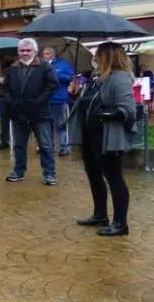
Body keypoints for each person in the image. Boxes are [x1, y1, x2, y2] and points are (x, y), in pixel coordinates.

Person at [69, 42, 136, 236]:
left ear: (108, 57)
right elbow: (87, 104)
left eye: (97, 54)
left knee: (114, 178)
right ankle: (100, 215)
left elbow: (127, 109)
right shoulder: (98, 79)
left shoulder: (120, 79)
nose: (94, 58)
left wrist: (105, 115)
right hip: (90, 134)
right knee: (94, 176)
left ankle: (120, 223)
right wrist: (76, 94)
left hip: (106, 136)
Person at [3, 38, 59, 185]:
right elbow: (6, 90)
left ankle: (49, 174)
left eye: (28, 50)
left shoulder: (45, 66)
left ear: (34, 51)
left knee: (45, 145)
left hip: (40, 113)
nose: (25, 53)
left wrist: (38, 102)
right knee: (19, 145)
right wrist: (13, 103)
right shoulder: (12, 68)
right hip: (19, 113)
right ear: (18, 52)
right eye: (22, 50)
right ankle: (18, 171)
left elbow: (52, 86)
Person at [42, 46, 74, 157]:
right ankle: (49, 147)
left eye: (46, 53)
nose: (44, 56)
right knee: (47, 125)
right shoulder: (42, 65)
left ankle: (64, 147)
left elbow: (70, 77)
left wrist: (56, 74)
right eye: (43, 54)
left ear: (52, 54)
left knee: (61, 124)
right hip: (45, 100)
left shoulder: (63, 64)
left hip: (59, 99)